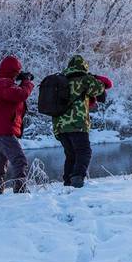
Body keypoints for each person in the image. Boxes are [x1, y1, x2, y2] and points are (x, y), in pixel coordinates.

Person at [52, 55, 108, 188]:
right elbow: (101, 88)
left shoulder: (60, 80)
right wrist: (95, 77)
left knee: (71, 155)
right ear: (84, 67)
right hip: (77, 124)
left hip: (60, 126)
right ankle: (77, 179)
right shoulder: (84, 79)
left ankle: (67, 182)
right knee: (84, 152)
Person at [0, 55, 35, 194]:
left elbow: (11, 96)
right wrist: (27, 82)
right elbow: (21, 95)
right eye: (17, 72)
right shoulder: (3, 83)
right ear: (13, 71)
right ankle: (20, 189)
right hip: (4, 131)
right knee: (19, 160)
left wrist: (19, 81)